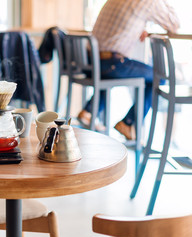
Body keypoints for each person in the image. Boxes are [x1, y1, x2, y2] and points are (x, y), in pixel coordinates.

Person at [77, 0, 180, 140]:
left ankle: (88, 110)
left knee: (113, 73)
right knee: (159, 77)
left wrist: (140, 27)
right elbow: (174, 25)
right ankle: (128, 122)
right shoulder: (148, 2)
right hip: (110, 64)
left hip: (89, 63)